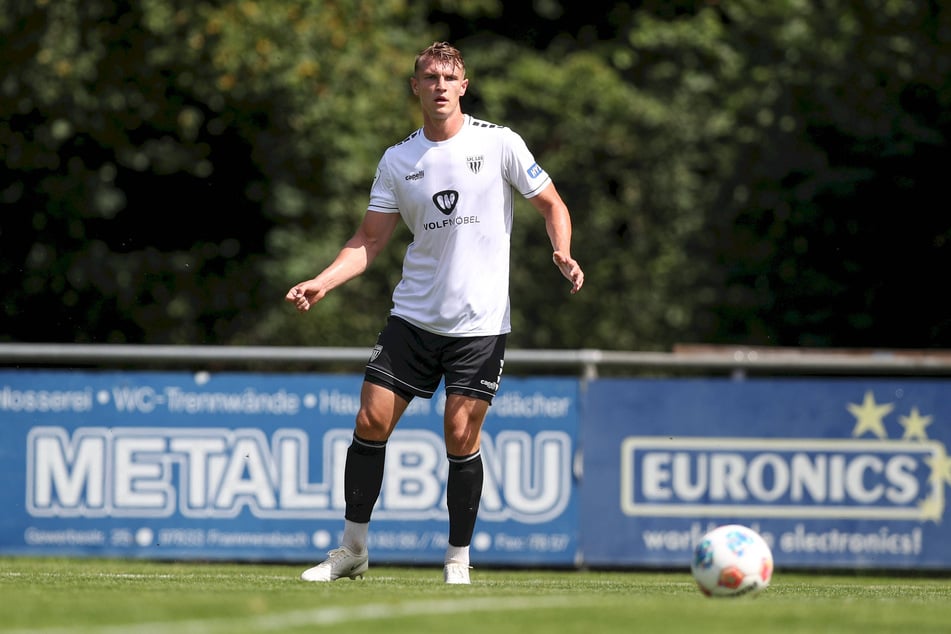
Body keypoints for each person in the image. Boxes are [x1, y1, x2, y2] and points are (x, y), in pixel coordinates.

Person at [285, 41, 584, 585]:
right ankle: (353, 549)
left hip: (479, 324)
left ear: (463, 86)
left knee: (459, 435)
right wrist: (322, 281)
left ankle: (456, 562)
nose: (440, 86)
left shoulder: (500, 144)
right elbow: (369, 241)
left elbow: (552, 204)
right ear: (416, 87)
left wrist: (561, 250)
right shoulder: (398, 160)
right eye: (430, 77)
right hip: (414, 317)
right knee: (370, 419)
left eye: (450, 77)